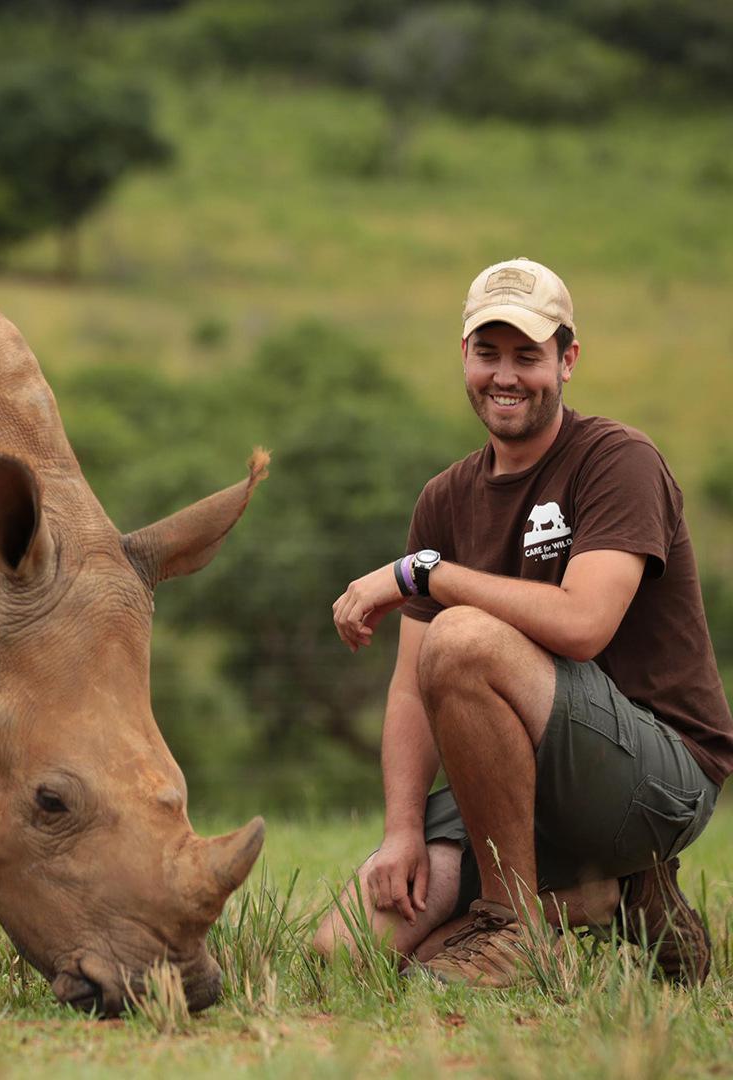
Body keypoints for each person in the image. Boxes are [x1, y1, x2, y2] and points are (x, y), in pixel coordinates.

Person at [311, 258, 732, 987]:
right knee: (346, 947)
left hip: (657, 776)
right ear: (464, 358)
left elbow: (583, 625)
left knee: (462, 638)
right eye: (488, 353)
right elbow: (411, 691)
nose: (505, 376)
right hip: (513, 793)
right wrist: (403, 829)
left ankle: (515, 927)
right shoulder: (443, 499)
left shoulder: (617, 460)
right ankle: (611, 896)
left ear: (567, 360)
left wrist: (426, 574)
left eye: (528, 356)